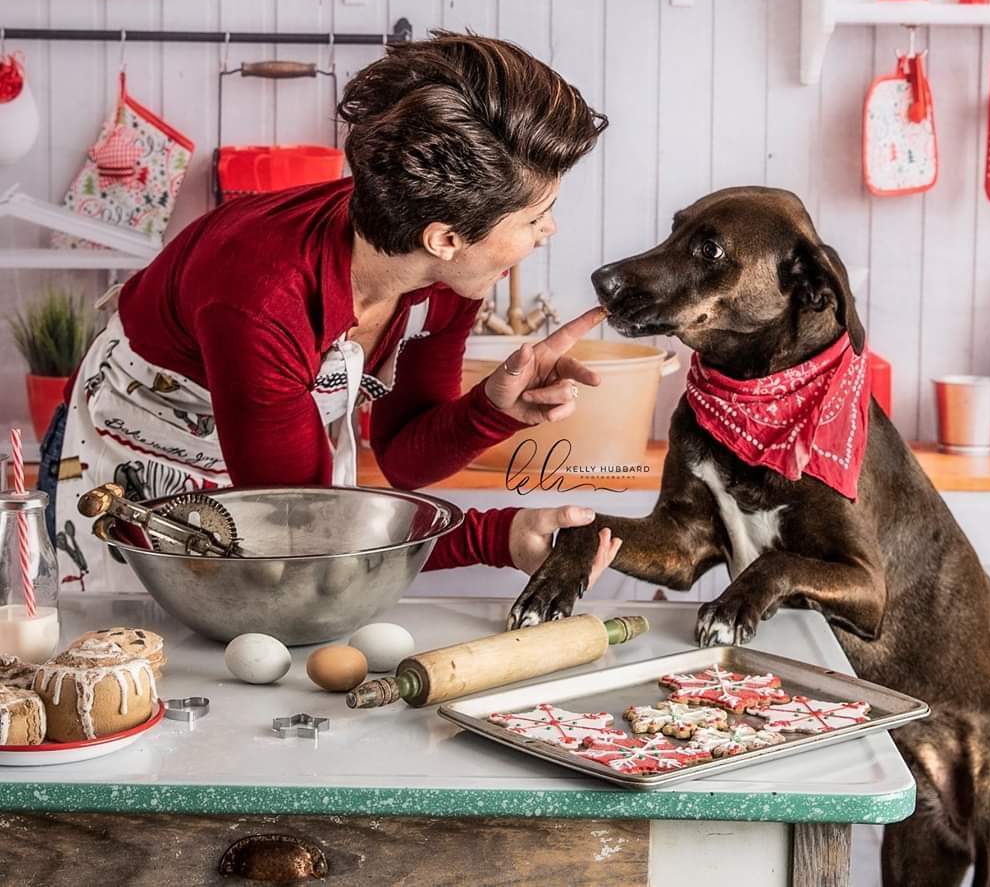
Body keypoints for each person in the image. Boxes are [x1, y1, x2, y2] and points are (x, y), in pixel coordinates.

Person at [39, 31, 623, 593]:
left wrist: (492, 409)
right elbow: (308, 540)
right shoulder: (263, 300)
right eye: (533, 218)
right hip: (133, 460)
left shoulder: (443, 278)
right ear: (444, 238)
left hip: (285, 486)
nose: (550, 231)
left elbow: (403, 461)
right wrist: (496, 537)